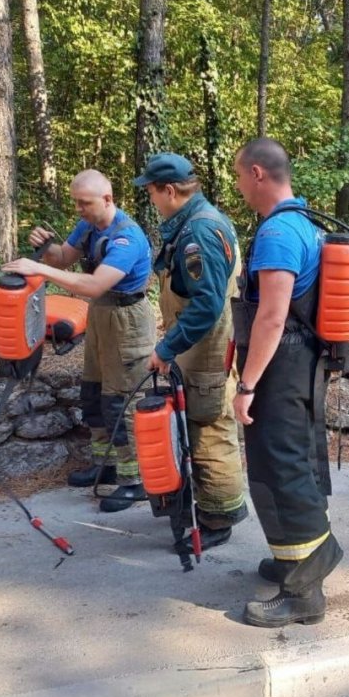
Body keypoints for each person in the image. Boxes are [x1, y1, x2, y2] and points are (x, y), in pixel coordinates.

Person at [231, 137, 343, 628]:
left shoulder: (278, 234)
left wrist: (247, 385)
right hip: (298, 362)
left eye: (238, 176)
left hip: (282, 363)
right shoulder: (304, 224)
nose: (238, 187)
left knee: (283, 466)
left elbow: (271, 318)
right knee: (279, 463)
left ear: (258, 173)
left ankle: (304, 591)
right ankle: (290, 556)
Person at [2, 170, 155, 512]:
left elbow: (93, 284)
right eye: (76, 203)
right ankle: (107, 465)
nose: (79, 210)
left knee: (123, 400)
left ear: (108, 199)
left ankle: (136, 481)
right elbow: (64, 259)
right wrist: (44, 249)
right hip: (101, 314)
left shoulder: (127, 237)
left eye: (84, 203)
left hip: (128, 319)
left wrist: (39, 270)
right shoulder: (90, 226)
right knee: (96, 392)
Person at [136, 152, 249, 550]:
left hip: (205, 346)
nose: (151, 199)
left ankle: (219, 520)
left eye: (151, 191)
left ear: (169, 190)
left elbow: (206, 305)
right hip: (197, 343)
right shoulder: (194, 223)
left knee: (209, 430)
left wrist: (167, 348)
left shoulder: (198, 232)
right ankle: (202, 507)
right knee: (197, 427)